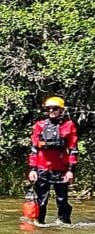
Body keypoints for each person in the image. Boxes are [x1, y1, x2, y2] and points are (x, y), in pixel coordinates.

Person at [28, 96, 78, 224]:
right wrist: (33, 169)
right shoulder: (40, 125)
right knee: (41, 201)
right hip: (42, 169)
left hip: (61, 170)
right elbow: (34, 149)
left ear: (61, 110)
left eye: (54, 108)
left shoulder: (68, 125)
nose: (51, 111)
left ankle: (64, 224)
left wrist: (70, 171)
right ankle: (39, 224)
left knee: (62, 200)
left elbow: (73, 149)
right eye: (48, 109)